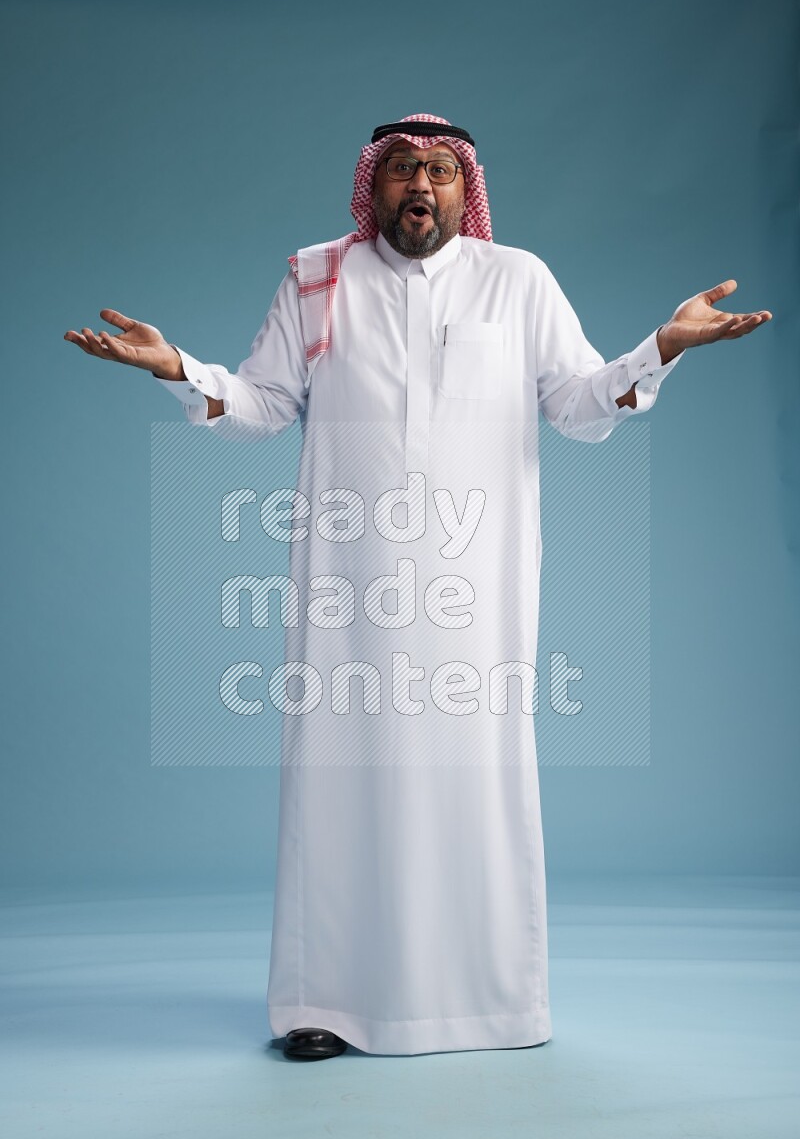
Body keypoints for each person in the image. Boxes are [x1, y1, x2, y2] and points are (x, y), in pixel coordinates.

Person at [64, 113, 772, 1063]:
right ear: (374, 185)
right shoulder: (318, 277)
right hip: (347, 597)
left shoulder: (516, 280)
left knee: (475, 788)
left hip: (474, 600)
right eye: (402, 170)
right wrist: (177, 369)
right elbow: (264, 407)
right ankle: (322, 1006)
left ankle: (494, 1006)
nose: (420, 187)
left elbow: (577, 406)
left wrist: (662, 348)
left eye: (439, 170)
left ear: (462, 186)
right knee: (339, 788)